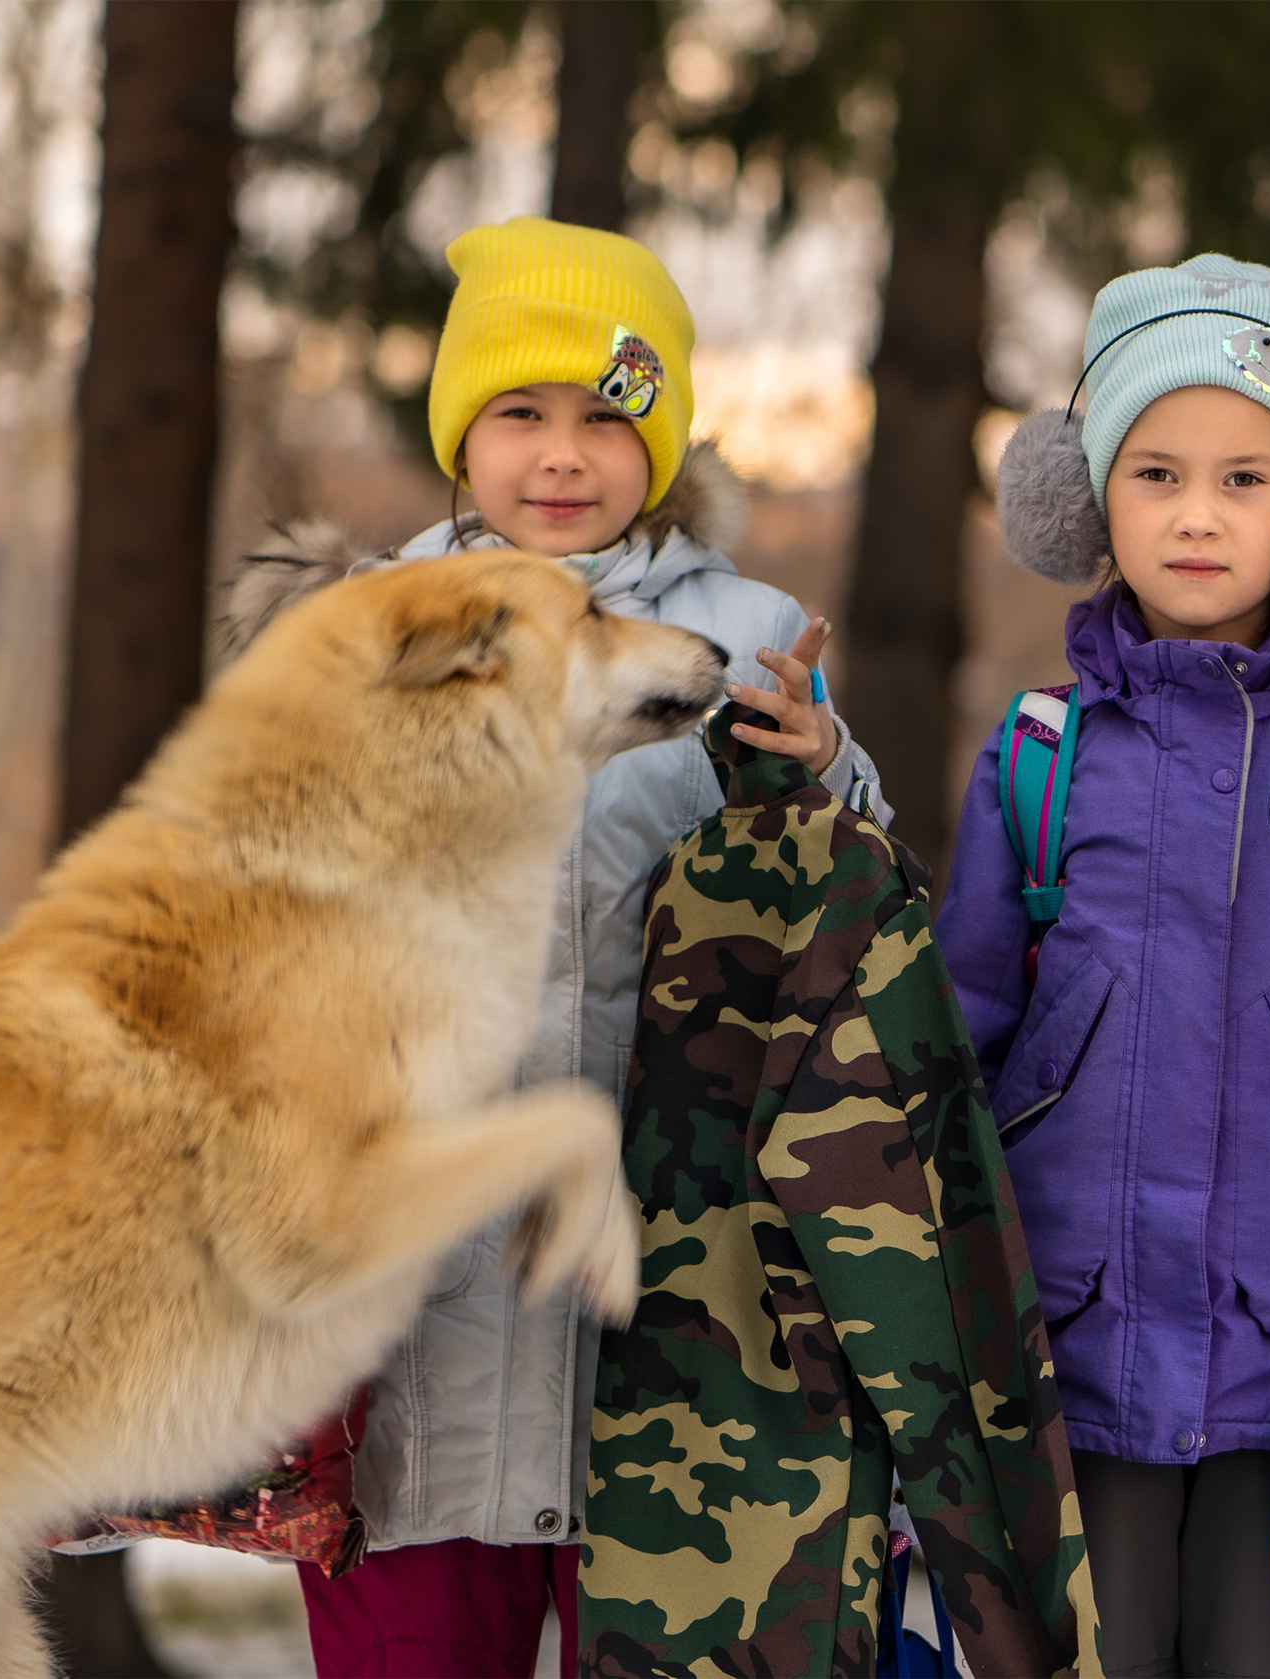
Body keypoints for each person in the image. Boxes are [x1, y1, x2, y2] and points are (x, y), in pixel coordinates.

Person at [289, 215, 889, 1679]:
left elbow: (856, 900)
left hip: (671, 1319)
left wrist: (822, 770)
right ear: (461, 434)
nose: (563, 454)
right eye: (520, 413)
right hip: (425, 1311)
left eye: (608, 415)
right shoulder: (367, 631)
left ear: (663, 435)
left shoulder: (746, 637)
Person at [942, 252, 1270, 1677]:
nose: (1197, 514)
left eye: (1246, 478)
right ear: (1088, 500)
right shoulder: (1039, 760)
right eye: (1156, 473)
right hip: (1071, 1364)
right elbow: (957, 1058)